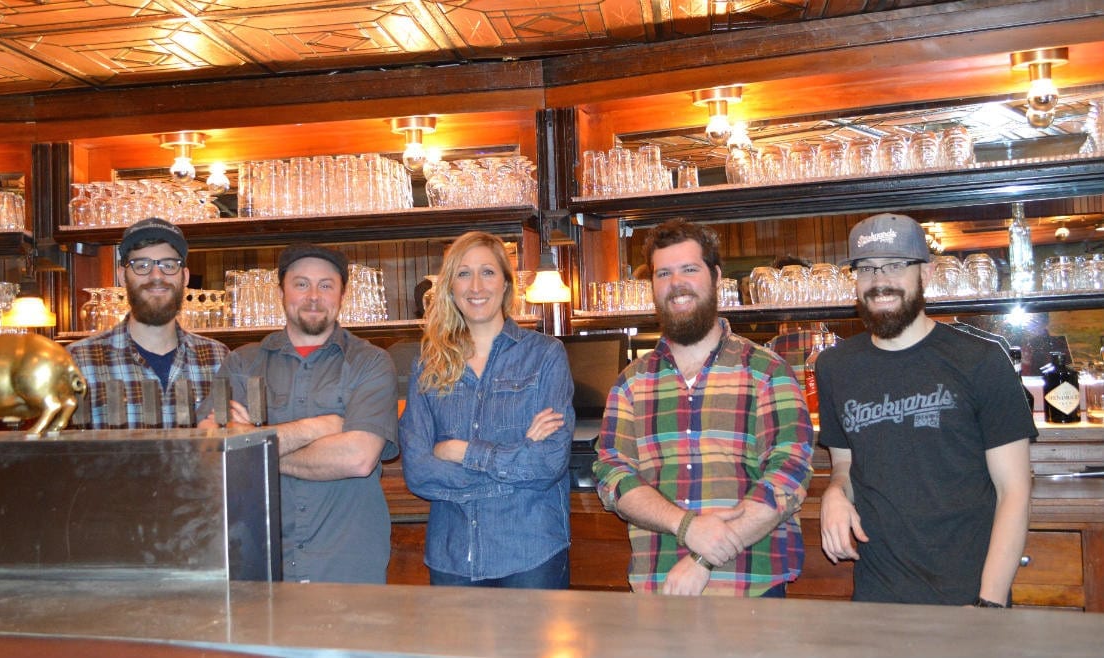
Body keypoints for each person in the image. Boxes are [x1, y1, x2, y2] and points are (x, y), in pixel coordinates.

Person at [817, 213, 1036, 607]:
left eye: (896, 265)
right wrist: (834, 492)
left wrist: (989, 602)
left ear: (927, 274)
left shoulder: (981, 361)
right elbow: (844, 464)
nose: (879, 280)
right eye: (865, 268)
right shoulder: (835, 367)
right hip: (876, 596)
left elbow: (1014, 491)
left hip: (968, 596)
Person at [593, 218, 814, 597]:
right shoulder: (631, 381)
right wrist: (686, 525)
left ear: (714, 276)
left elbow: (788, 475)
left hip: (752, 586)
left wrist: (703, 558)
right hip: (659, 586)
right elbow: (612, 475)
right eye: (664, 273)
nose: (676, 283)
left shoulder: (766, 370)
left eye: (689, 269)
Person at [197, 243, 399, 584]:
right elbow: (211, 448)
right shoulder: (242, 363)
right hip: (259, 561)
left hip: (346, 563)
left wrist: (251, 447)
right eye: (301, 284)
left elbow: (358, 458)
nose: (314, 296)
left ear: (342, 294)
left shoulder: (371, 362)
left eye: (326, 285)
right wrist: (316, 428)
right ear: (281, 291)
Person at [398, 231, 575, 589]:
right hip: (453, 556)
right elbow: (418, 472)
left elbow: (548, 464)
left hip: (530, 553)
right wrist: (514, 462)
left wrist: (458, 451)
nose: (476, 285)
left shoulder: (545, 355)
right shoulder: (427, 365)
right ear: (450, 287)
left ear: (506, 285)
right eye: (463, 273)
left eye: (488, 272)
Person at [68, 217, 229, 429]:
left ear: (185, 276)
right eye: (142, 265)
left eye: (169, 265)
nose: (156, 275)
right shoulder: (79, 361)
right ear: (122, 276)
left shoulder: (219, 358)